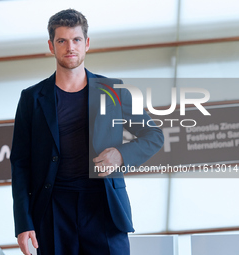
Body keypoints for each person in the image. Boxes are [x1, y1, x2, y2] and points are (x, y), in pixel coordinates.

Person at [10, 9, 164, 255]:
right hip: (53, 210)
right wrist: (23, 223)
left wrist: (121, 155)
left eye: (76, 40)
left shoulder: (114, 91)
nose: (70, 47)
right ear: (51, 46)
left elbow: (154, 136)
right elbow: (20, 163)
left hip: (104, 206)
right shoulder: (32, 98)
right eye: (62, 41)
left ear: (87, 44)